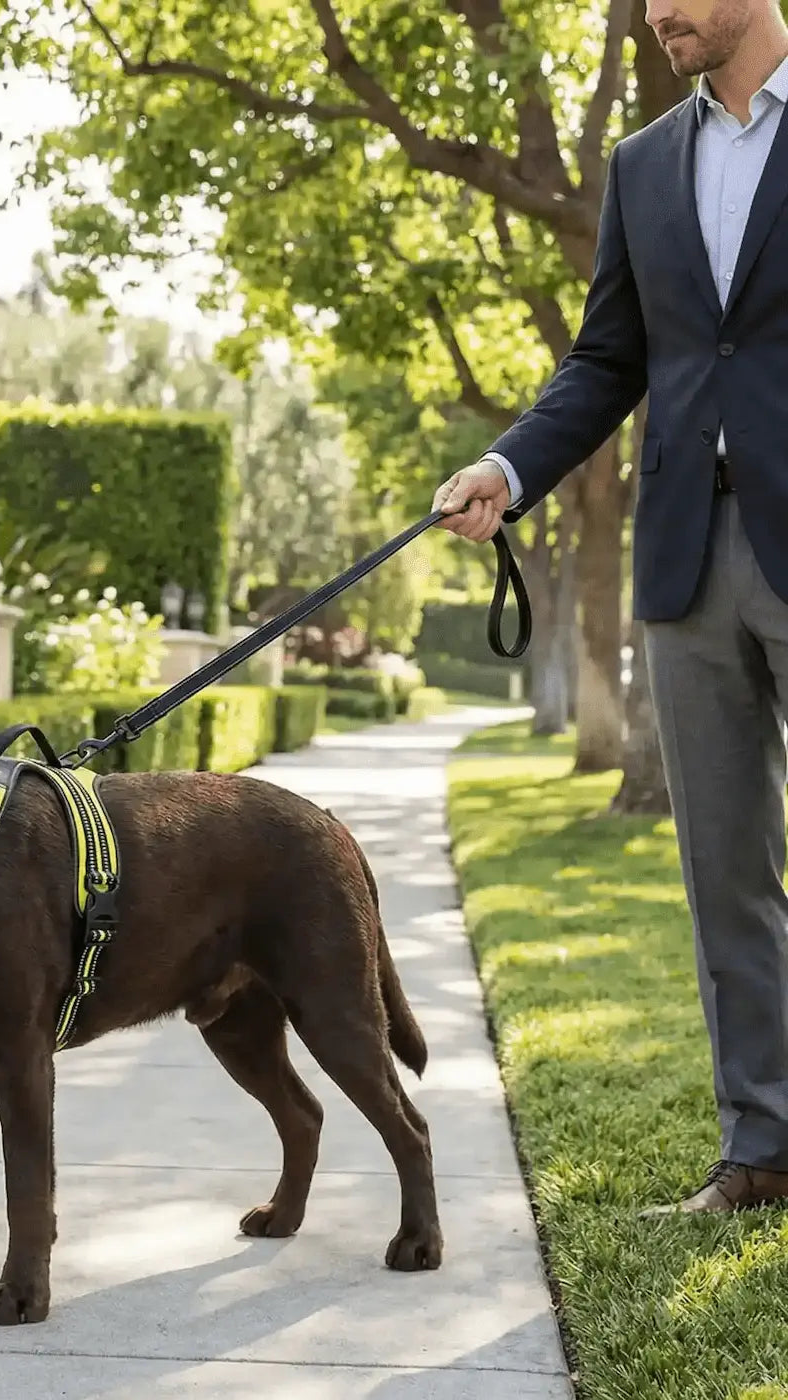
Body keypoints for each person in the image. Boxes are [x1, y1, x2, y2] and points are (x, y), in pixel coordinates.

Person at [432, 0, 788, 1216]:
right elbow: (605, 357)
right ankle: (761, 1145)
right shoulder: (639, 162)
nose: (653, 15)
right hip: (686, 552)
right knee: (722, 865)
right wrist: (508, 467)